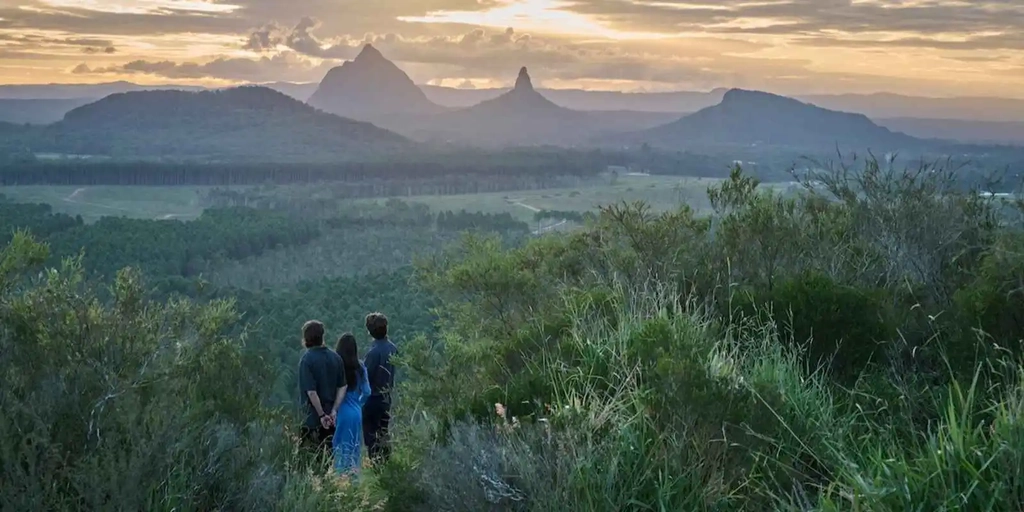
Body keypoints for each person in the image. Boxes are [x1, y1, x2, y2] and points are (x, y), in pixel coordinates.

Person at [298, 320, 345, 456]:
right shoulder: (336, 358)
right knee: (327, 458)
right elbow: (342, 387)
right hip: (332, 420)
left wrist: (321, 415)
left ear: (306, 338)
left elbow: (312, 392)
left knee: (309, 459)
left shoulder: (306, 360)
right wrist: (334, 411)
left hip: (311, 420)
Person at [333, 333, 371, 476]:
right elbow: (367, 391)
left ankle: (339, 478)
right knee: (354, 447)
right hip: (356, 412)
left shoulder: (337, 366)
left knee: (339, 446)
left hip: (340, 411)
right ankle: (353, 479)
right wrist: (359, 403)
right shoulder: (360, 367)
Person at [363, 312, 398, 463]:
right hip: (386, 397)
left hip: (372, 399)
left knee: (371, 436)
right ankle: (386, 463)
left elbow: (365, 377)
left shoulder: (373, 353)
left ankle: (376, 464)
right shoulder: (393, 348)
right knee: (384, 432)